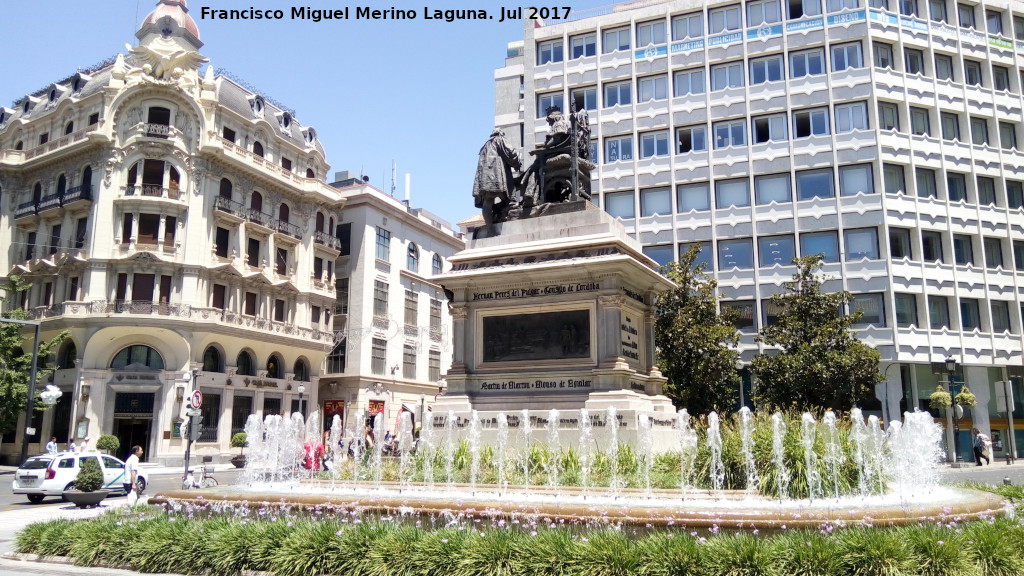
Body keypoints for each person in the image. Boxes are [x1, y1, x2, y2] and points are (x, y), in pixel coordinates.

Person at [472, 128, 522, 225]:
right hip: (498, 176)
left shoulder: (484, 146)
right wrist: (517, 164)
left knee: (488, 202)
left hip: (484, 180)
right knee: (511, 199)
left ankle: (490, 228)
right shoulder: (499, 139)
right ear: (501, 134)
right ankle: (512, 219)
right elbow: (511, 153)